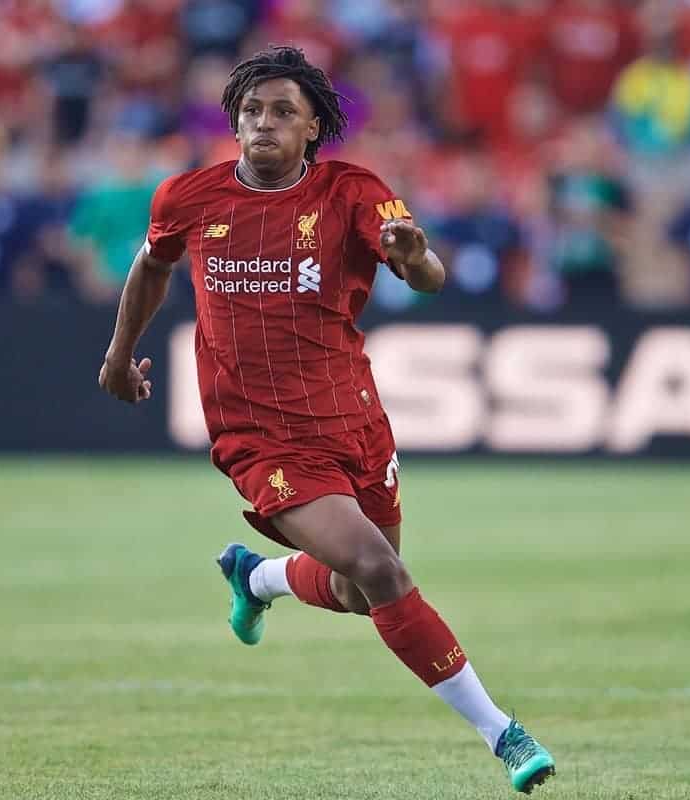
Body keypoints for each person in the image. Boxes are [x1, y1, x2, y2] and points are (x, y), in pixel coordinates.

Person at [97, 47, 556, 795]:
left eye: (283, 111)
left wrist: (414, 258)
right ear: (234, 123)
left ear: (313, 127)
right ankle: (503, 733)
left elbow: (427, 274)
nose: (264, 123)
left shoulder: (351, 192)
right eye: (252, 111)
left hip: (353, 421)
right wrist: (119, 357)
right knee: (381, 570)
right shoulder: (189, 197)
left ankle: (260, 577)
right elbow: (153, 264)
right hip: (260, 438)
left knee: (353, 590)